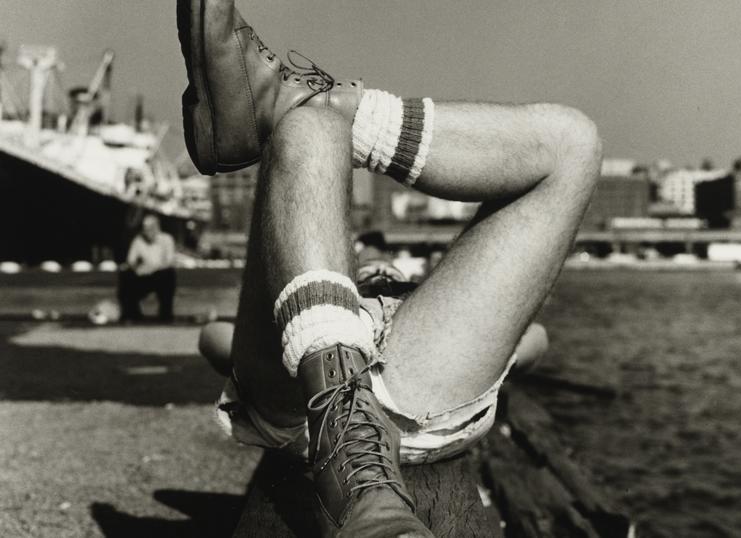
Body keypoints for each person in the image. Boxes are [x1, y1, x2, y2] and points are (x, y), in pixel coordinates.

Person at [177, 1, 601, 535]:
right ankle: (303, 108)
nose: (370, 263)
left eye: (371, 259)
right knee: (309, 131)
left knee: (573, 141)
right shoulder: (322, 273)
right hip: (318, 386)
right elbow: (213, 340)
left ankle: (289, 105)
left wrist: (498, 341)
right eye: (364, 258)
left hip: (407, 371)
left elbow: (214, 342)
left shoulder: (413, 299)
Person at [118, 214, 177, 322]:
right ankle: (132, 315)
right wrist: (138, 268)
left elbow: (169, 262)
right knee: (126, 276)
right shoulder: (138, 240)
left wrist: (152, 268)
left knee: (169, 274)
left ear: (157, 227)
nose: (147, 231)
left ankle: (166, 316)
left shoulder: (167, 239)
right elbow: (131, 260)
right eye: (145, 229)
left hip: (161, 275)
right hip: (143, 276)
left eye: (150, 228)